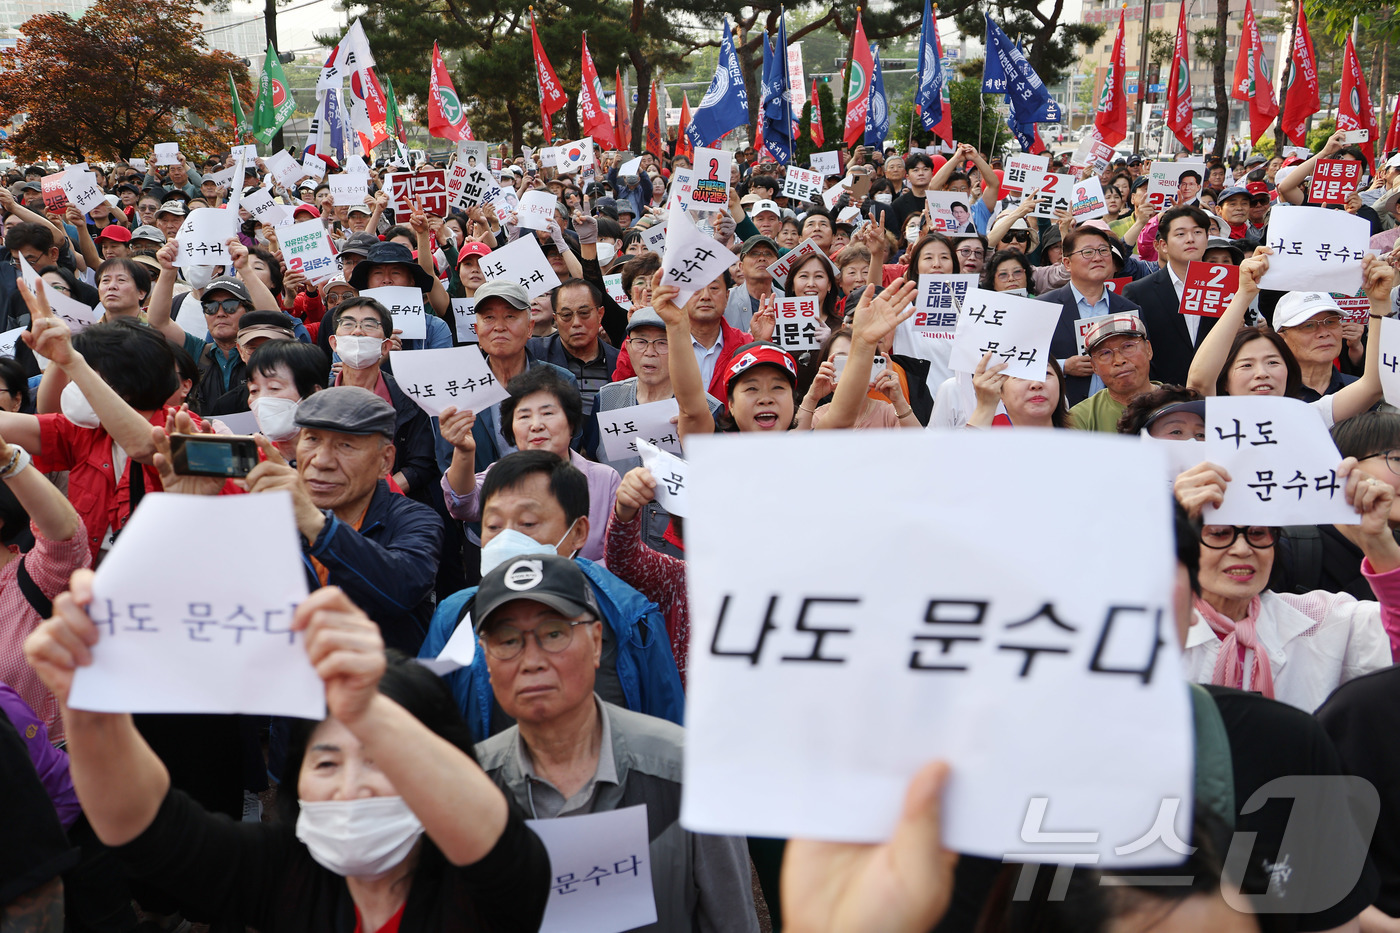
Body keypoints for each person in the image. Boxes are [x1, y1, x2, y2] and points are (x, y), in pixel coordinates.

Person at [23, 578, 551, 932]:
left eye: (380, 759)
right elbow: (145, 829)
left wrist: (363, 704)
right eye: (325, 762)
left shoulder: (488, 886)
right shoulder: (284, 869)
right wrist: (89, 705)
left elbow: (496, 844)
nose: (350, 786)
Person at [467, 553, 758, 931]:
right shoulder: (470, 787)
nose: (532, 660)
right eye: (507, 640)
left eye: (554, 633)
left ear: (595, 641)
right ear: (487, 660)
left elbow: (732, 920)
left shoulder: (685, 773)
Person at [155, 387, 443, 653]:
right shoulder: (262, 515)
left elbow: (401, 588)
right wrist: (189, 510)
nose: (321, 461)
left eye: (346, 445)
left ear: (385, 461)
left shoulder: (414, 519)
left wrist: (312, 520)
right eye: (312, 439)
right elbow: (201, 596)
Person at [419, 451, 684, 736]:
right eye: (493, 526)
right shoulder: (455, 615)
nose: (507, 538)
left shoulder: (631, 618)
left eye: (528, 523)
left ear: (579, 532)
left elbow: (669, 737)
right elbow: (422, 728)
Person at [1172, 455, 1400, 711]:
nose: (1242, 549)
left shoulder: (1322, 620)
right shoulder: (1158, 626)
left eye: (1258, 533)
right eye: (1219, 533)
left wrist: (1378, 543)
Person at [1186, 248, 1391, 429]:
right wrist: (1244, 294)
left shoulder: (1303, 418)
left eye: (1272, 362)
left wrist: (1379, 302)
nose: (1262, 373)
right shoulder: (1217, 422)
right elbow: (1199, 381)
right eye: (1247, 365)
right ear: (1225, 382)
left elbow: (1373, 385)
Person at [440, 367, 620, 563]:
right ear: (511, 429)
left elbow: (619, 557)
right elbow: (462, 504)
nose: (536, 425)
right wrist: (464, 451)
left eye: (547, 413)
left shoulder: (606, 479)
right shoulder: (501, 475)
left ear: (571, 424)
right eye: (524, 416)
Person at [465, 281, 581, 471]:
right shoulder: (459, 388)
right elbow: (449, 461)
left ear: (529, 328)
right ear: (477, 332)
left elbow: (570, 449)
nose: (499, 327)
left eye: (510, 316)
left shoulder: (561, 381)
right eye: (489, 317)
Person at [1041, 225, 1142, 406]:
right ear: (1067, 263)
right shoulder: (1043, 307)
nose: (1098, 257)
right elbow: (1022, 363)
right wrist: (1064, 366)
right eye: (1087, 252)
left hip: (1120, 414)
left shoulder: (1129, 310)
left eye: (1104, 250)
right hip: (1062, 413)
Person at [1122, 205, 1215, 386]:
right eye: (1180, 234)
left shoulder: (1225, 287)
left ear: (1207, 238)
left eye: (1197, 232)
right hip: (1163, 395)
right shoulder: (1138, 292)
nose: (1190, 239)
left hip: (1215, 392)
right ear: (1163, 245)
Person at [527, 278, 618, 415]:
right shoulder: (532, 354)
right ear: (556, 319)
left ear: (600, 314)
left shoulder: (618, 361)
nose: (576, 323)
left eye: (584, 313)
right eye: (566, 315)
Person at [1068, 313, 1159, 432]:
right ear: (1094, 366)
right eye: (1105, 353)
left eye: (1128, 346)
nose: (1119, 360)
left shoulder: (1179, 402)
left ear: (1148, 350)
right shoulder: (1079, 418)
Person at [1273, 291, 1361, 400]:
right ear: (1282, 339)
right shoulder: (1272, 394)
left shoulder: (1360, 391)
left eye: (1330, 322)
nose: (1324, 333)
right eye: (1308, 325)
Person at [966, 353, 1071, 429]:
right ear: (1000, 392)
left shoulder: (1079, 442)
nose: (1036, 384)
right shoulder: (988, 441)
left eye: (1046, 374)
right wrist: (984, 408)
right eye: (1021, 376)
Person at [725, 235, 782, 333]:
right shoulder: (725, 300)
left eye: (768, 254)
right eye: (754, 254)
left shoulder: (788, 300)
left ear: (778, 264)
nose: (762, 258)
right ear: (741, 266)